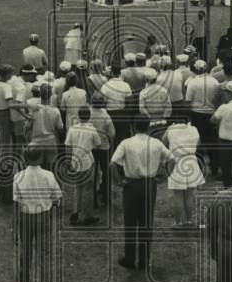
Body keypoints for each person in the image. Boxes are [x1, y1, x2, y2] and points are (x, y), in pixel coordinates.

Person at [110, 117, 172, 271]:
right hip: (149, 185)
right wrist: (165, 174)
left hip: (131, 185)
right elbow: (172, 158)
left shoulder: (126, 143)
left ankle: (130, 259)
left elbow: (113, 163)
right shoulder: (156, 143)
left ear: (133, 127)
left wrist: (119, 181)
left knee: (130, 223)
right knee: (146, 223)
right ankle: (144, 260)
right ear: (149, 127)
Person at [12, 145, 62, 282]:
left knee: (26, 249)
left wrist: (15, 225)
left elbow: (16, 203)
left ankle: (24, 274)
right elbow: (57, 198)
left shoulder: (19, 176)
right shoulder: (48, 175)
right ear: (40, 158)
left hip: (25, 217)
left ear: (25, 159)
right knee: (44, 255)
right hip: (44, 216)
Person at [162, 116, 204, 228]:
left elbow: (163, 142)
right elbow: (199, 143)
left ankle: (178, 222)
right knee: (190, 194)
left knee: (178, 195)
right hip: (191, 160)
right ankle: (190, 220)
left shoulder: (171, 130)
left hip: (177, 161)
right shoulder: (193, 129)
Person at [64, 105, 102, 226]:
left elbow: (68, 146)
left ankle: (75, 212)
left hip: (75, 159)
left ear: (79, 116)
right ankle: (88, 216)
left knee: (77, 187)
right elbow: (98, 144)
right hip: (87, 160)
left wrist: (69, 160)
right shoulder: (91, 129)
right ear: (89, 116)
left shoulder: (72, 128)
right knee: (88, 189)